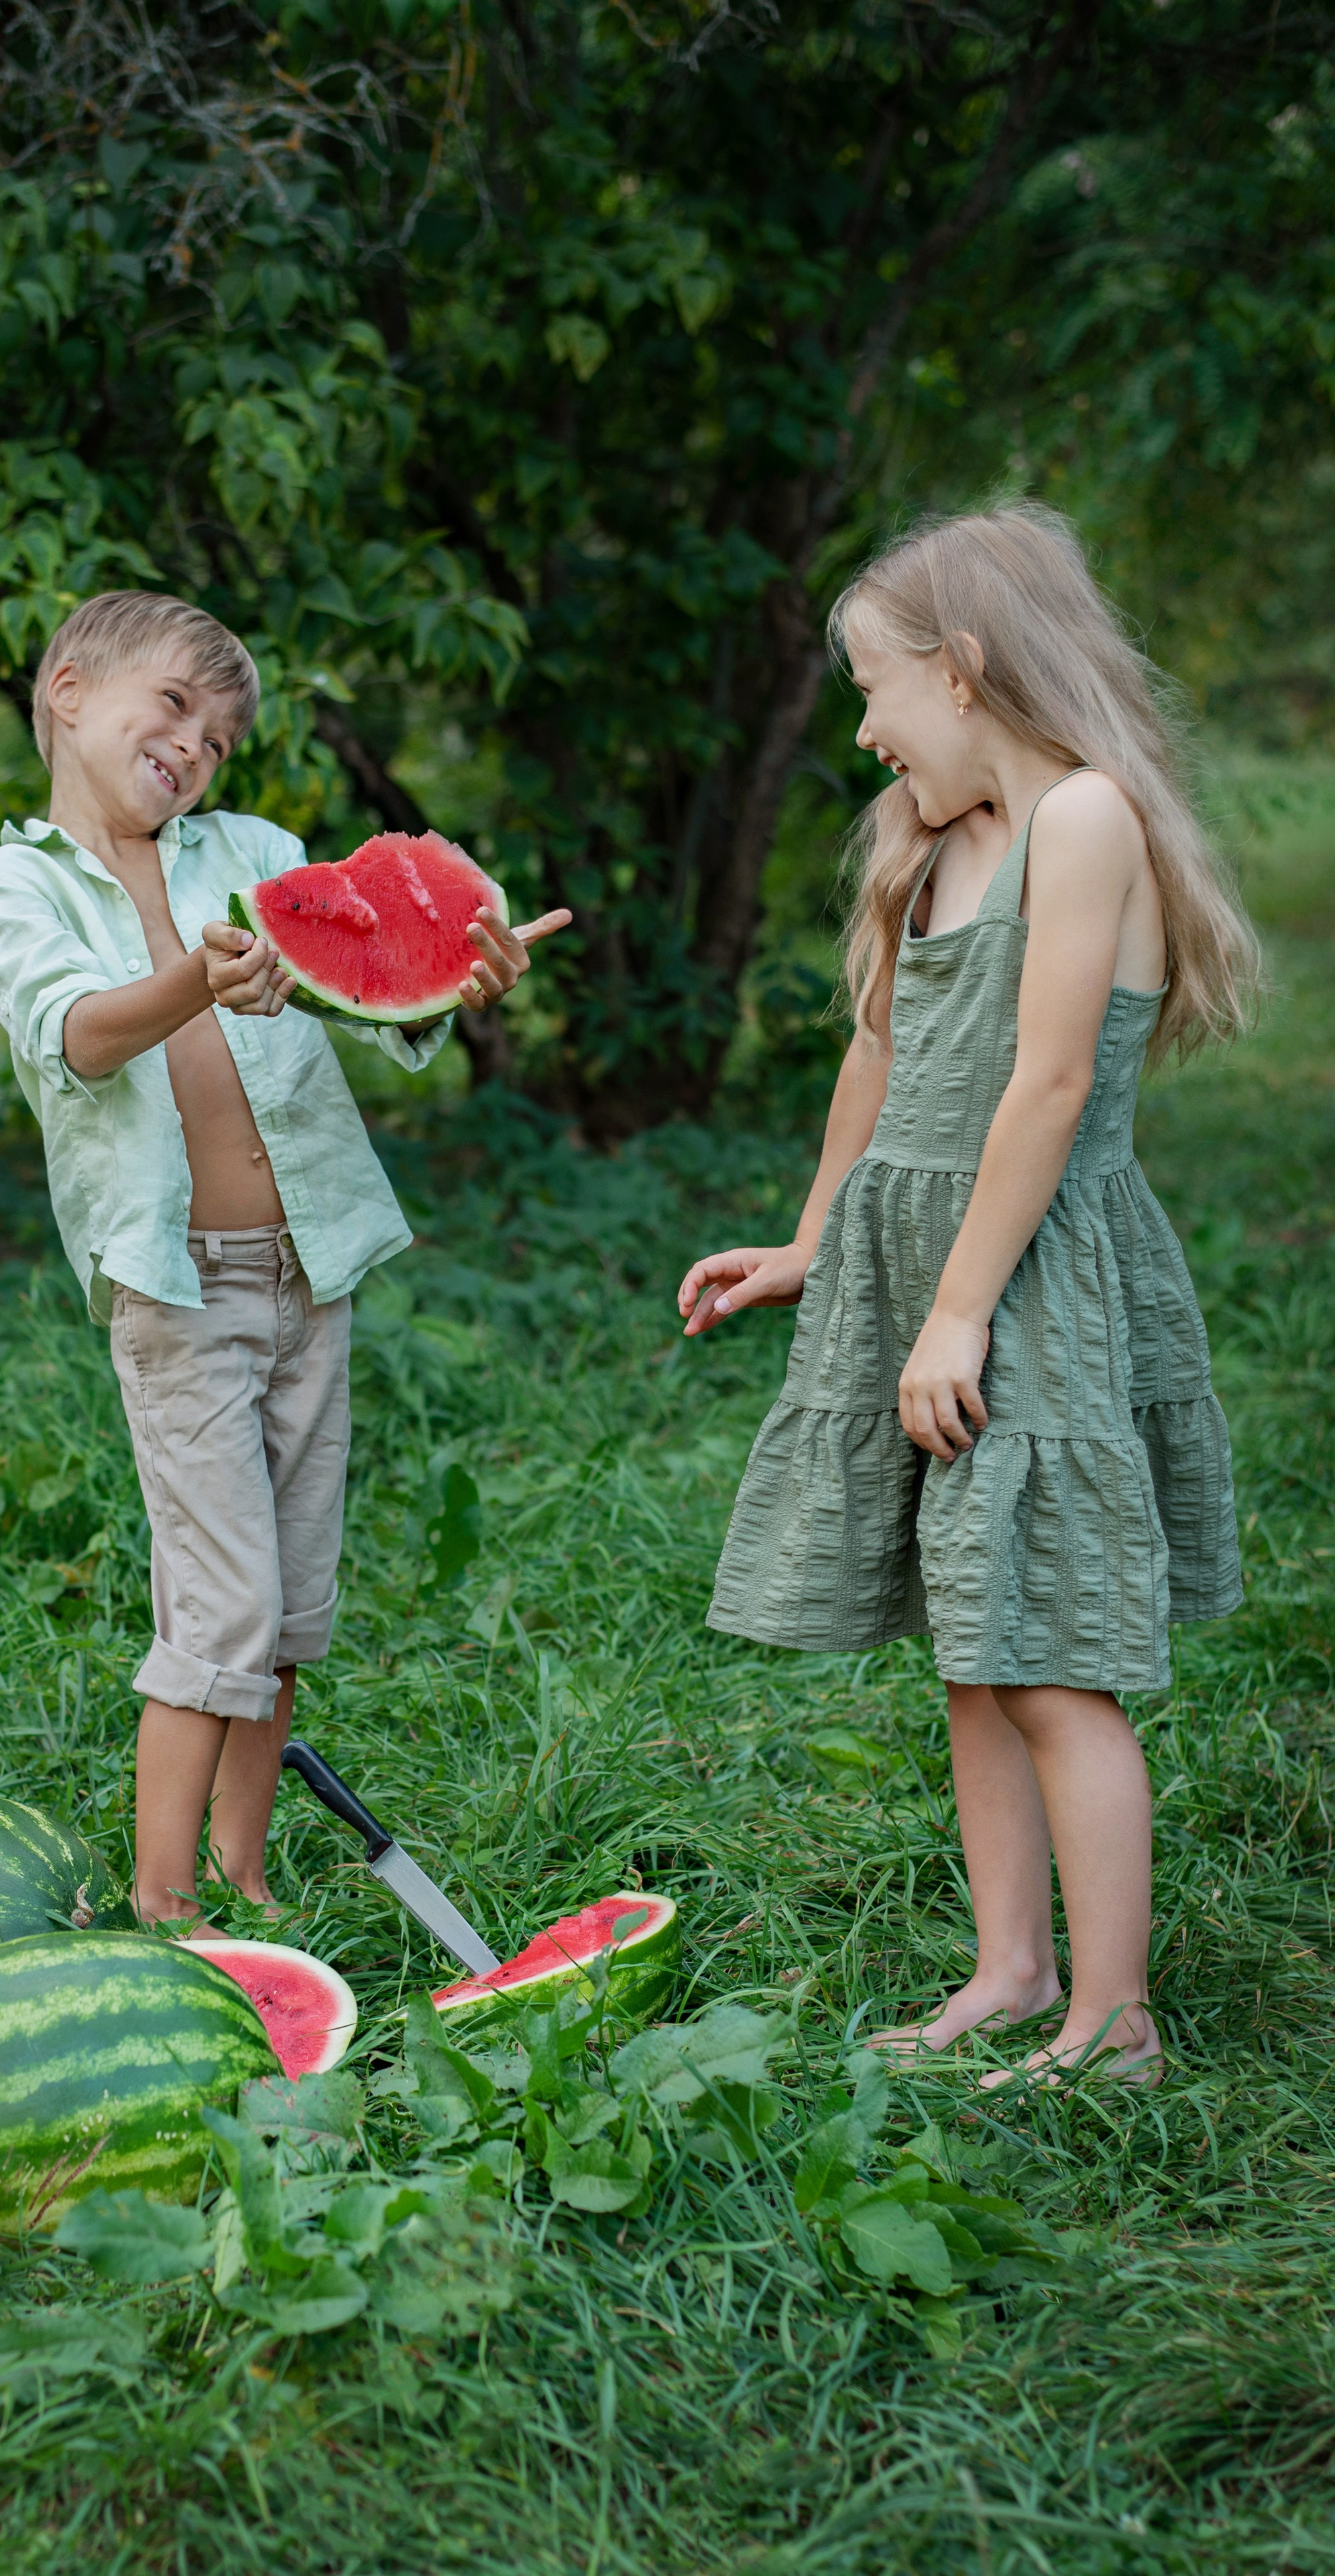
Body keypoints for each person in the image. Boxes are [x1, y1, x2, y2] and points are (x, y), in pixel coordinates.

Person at [678, 506, 1259, 2086]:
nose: (859, 730)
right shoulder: (931, 840)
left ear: (964, 667)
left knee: (1052, 1657)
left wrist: (956, 1310)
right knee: (972, 1643)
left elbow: (1049, 1082)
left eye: (871, 688)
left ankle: (1113, 2017)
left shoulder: (1082, 820)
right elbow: (879, 1052)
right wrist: (810, 1241)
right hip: (919, 1263)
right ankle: (1012, 1969)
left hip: (1029, 1275)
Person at [0, 591, 568, 1923]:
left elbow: (363, 985)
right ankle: (162, 1903)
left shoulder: (252, 847)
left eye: (221, 736)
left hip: (311, 1270)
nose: (195, 745)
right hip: (175, 1287)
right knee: (221, 1606)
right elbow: (77, 1036)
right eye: (172, 705)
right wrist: (201, 971)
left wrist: (445, 990)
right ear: (69, 691)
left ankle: (242, 1872)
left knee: (290, 1608)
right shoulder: (15, 885)